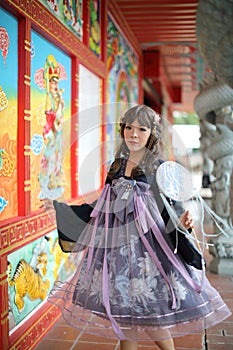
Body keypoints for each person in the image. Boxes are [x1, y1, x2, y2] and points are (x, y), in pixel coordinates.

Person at [47, 105, 231, 350]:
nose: (133, 134)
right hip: (118, 252)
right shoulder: (117, 167)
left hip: (150, 253)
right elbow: (101, 205)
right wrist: (59, 208)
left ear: (152, 133)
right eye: (129, 128)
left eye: (142, 129)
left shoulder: (157, 167)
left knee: (151, 312)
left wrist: (181, 223)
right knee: (127, 318)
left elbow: (170, 207)